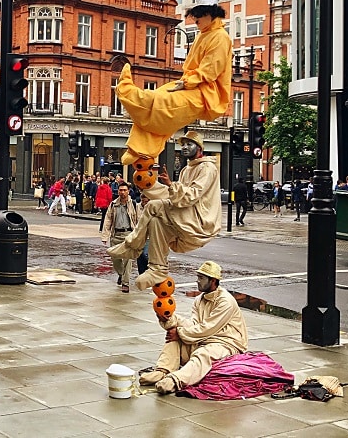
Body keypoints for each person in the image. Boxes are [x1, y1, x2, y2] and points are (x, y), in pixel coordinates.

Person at [115, 0, 231, 169]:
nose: (195, 19)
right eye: (194, 14)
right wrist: (185, 82)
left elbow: (210, 70)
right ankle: (138, 149)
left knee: (165, 105)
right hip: (191, 84)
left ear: (210, 14)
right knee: (160, 116)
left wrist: (187, 83)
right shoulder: (202, 35)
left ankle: (128, 93)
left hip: (205, 93)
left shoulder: (221, 37)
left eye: (198, 14)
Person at [107, 130, 221, 290]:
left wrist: (170, 184)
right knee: (155, 221)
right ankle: (158, 268)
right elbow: (173, 198)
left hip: (200, 219)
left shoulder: (208, 168)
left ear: (200, 148)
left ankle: (132, 246)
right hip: (187, 214)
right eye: (183, 145)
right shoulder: (186, 170)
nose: (185, 148)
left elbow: (191, 195)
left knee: (153, 206)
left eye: (189, 144)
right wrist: (148, 185)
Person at [139, 261, 248, 395]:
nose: (197, 281)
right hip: (204, 338)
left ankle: (176, 380)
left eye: (201, 278)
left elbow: (208, 328)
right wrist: (169, 319)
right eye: (198, 277)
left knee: (203, 354)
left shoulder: (226, 301)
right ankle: (162, 371)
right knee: (173, 339)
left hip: (226, 343)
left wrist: (179, 332)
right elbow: (194, 325)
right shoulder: (199, 299)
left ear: (213, 280)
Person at [101, 182, 140, 293]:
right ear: (118, 191)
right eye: (120, 190)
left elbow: (138, 220)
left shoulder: (133, 204)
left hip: (129, 235)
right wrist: (105, 236)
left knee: (128, 260)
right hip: (116, 235)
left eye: (124, 190)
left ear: (128, 191)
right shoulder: (113, 204)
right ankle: (121, 274)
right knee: (115, 258)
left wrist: (139, 235)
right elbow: (108, 220)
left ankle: (125, 283)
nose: (122, 192)